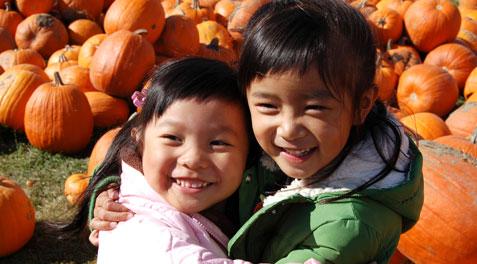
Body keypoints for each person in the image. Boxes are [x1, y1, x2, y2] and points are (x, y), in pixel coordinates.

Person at [90, 0, 424, 263]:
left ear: (362, 105)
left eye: (315, 108)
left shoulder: (350, 226)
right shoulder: (253, 137)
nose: (289, 129)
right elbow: (168, 130)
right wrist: (113, 191)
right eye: (268, 106)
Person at [62, 57, 256, 263]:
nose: (193, 159)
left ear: (250, 149)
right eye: (172, 138)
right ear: (139, 140)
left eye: (218, 143)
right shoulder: (153, 242)